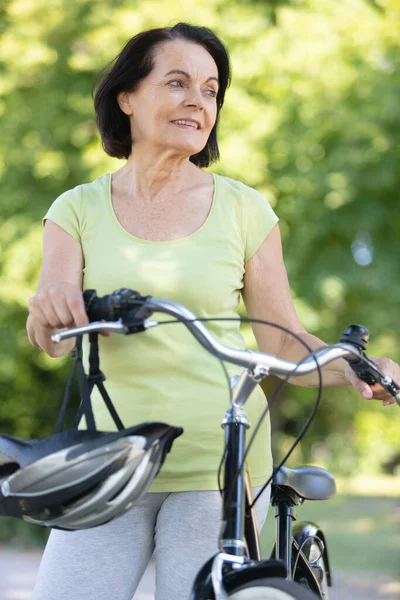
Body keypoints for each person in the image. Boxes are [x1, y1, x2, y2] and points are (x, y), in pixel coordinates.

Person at [26, 22, 399, 600]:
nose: (198, 102)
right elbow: (55, 337)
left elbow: (282, 343)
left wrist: (354, 366)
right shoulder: (75, 209)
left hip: (218, 467)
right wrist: (49, 312)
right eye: (177, 83)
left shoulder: (245, 210)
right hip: (112, 463)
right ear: (127, 97)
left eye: (210, 90)